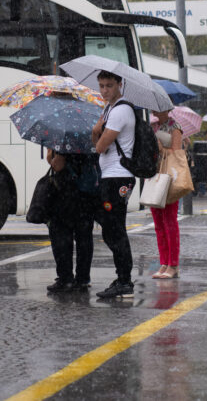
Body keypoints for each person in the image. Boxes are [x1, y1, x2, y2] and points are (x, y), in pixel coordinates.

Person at [91, 69, 137, 299]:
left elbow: (100, 146)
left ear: (120, 84)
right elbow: (98, 142)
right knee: (111, 228)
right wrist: (95, 131)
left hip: (119, 177)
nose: (104, 90)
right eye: (101, 85)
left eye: (109, 85)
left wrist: (98, 131)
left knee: (115, 230)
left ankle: (125, 281)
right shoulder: (109, 109)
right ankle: (122, 277)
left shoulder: (121, 110)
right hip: (110, 176)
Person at [45, 148, 101, 293]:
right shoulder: (89, 141)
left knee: (61, 237)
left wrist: (52, 150)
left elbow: (56, 164)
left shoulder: (64, 144)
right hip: (87, 194)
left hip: (66, 194)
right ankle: (82, 279)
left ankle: (65, 279)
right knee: (84, 238)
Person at [151, 109, 183, 279]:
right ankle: (164, 262)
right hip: (154, 175)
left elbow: (177, 153)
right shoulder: (153, 126)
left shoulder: (174, 126)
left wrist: (161, 148)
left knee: (169, 221)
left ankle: (173, 264)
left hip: (170, 177)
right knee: (158, 222)